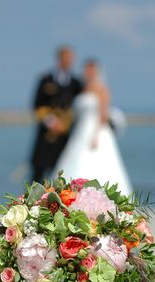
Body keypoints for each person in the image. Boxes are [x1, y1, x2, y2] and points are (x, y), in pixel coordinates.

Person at [53, 59, 132, 196]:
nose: (87, 72)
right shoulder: (83, 88)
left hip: (97, 132)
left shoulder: (102, 89)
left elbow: (103, 114)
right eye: (85, 69)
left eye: (90, 70)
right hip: (80, 132)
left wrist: (96, 136)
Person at [31, 46, 83, 182]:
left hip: (65, 136)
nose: (69, 62)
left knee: (60, 171)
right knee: (39, 169)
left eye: (71, 59)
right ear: (59, 59)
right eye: (66, 58)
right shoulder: (45, 80)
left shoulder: (76, 83)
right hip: (46, 135)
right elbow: (37, 104)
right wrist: (51, 122)